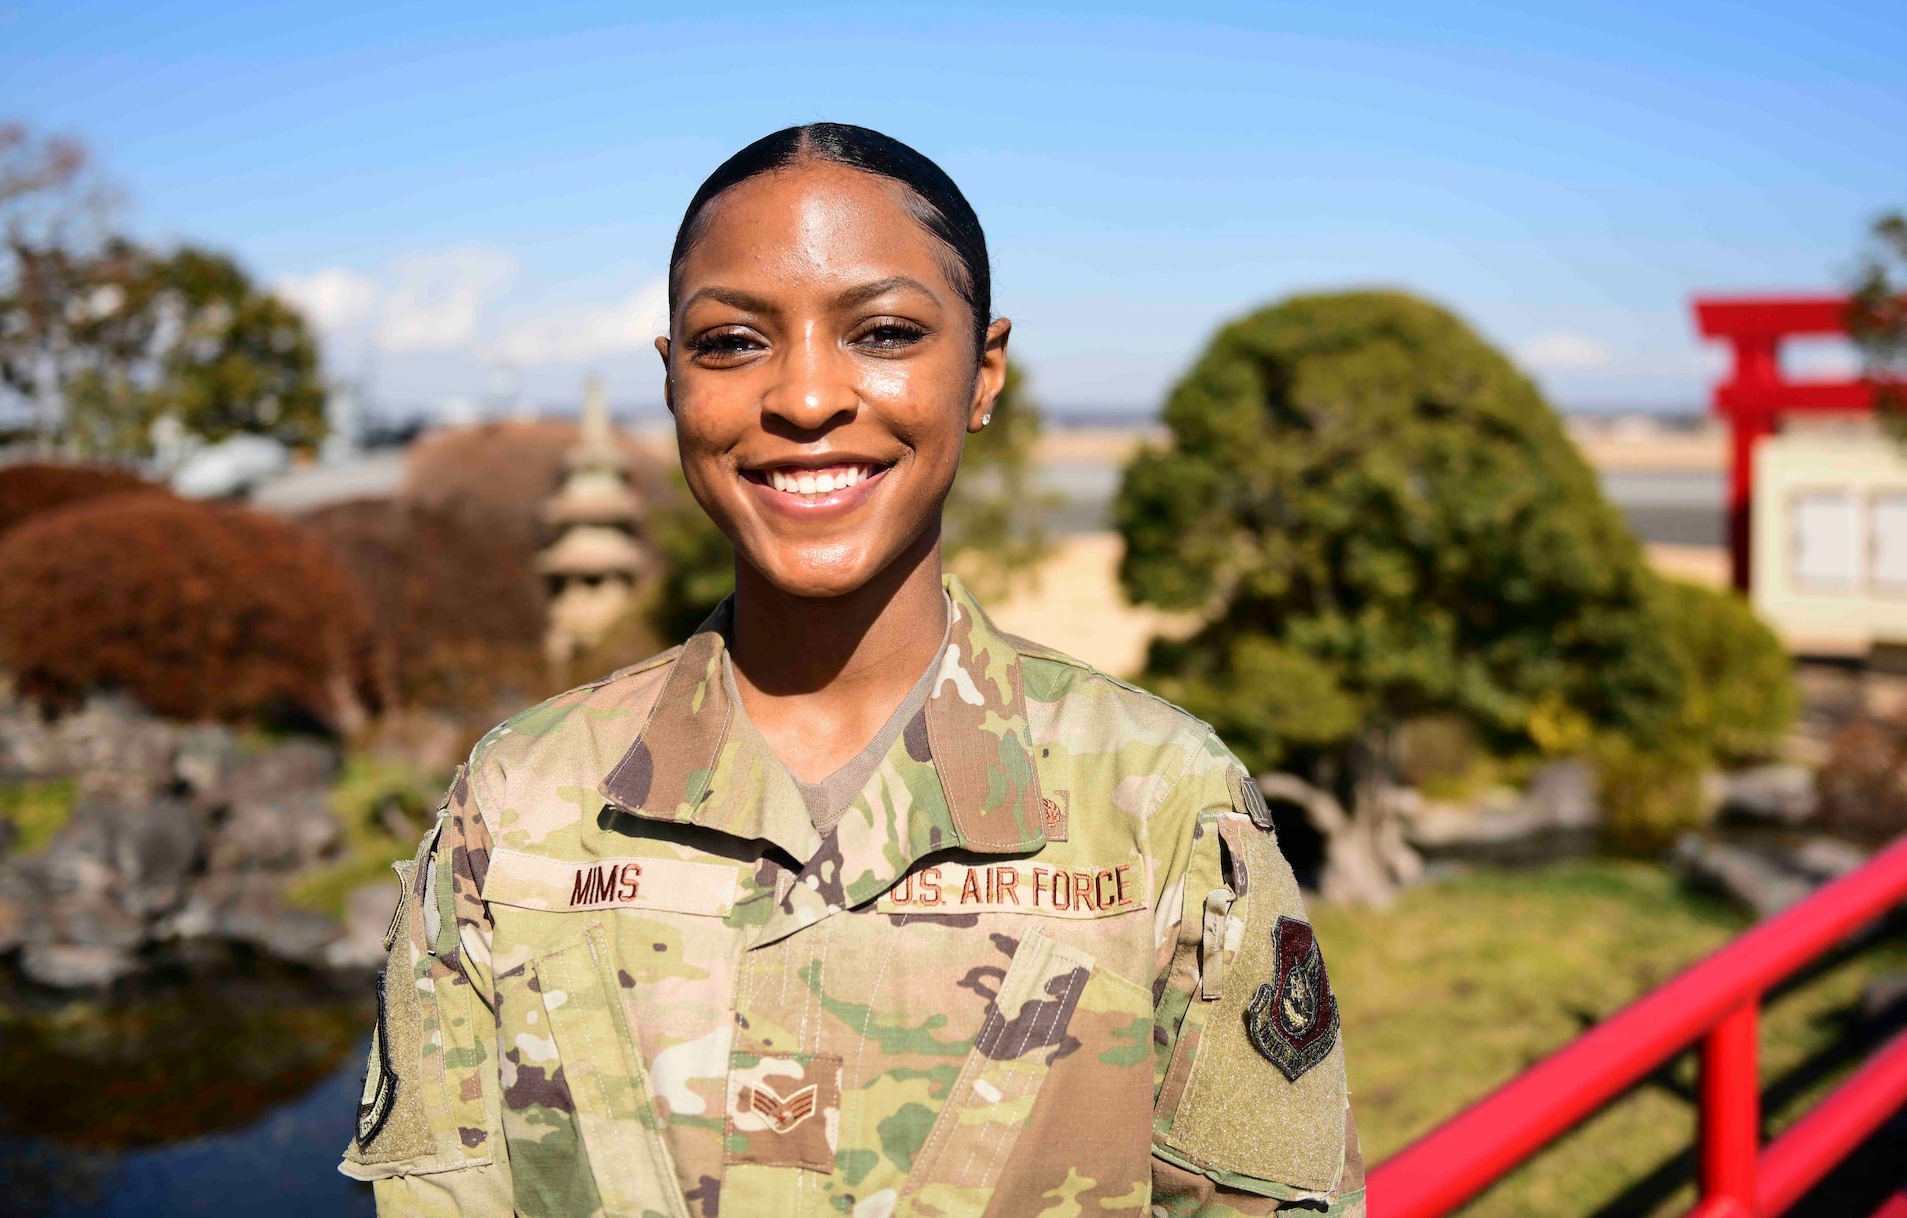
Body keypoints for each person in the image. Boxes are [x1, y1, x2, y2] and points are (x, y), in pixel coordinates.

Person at [339, 123, 1366, 1217]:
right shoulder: (524, 799)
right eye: (731, 342)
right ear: (673, 381)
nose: (806, 396)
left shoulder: (1156, 802)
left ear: (983, 372)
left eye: (881, 331)